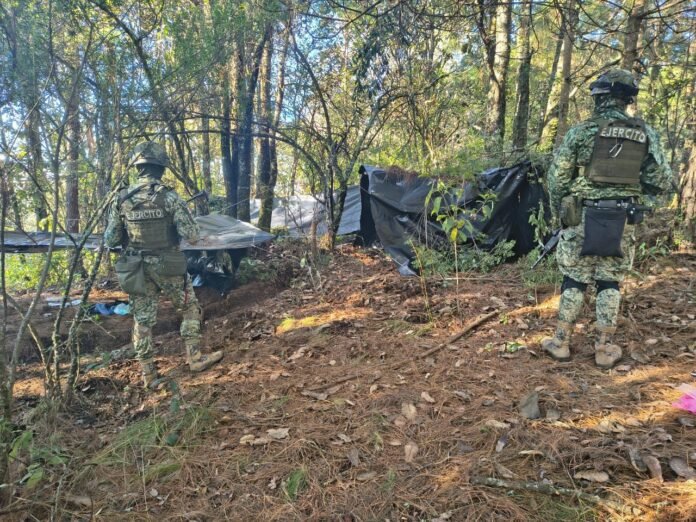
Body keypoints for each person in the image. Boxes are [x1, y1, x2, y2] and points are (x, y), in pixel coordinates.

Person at [542, 69, 673, 368]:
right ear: (627, 99)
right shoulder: (645, 133)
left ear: (599, 97)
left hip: (581, 215)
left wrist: (559, 213)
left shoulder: (581, 131)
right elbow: (662, 180)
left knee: (574, 277)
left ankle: (560, 343)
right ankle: (603, 348)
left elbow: (557, 179)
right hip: (622, 217)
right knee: (609, 280)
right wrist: (637, 196)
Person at [105, 141, 223, 388]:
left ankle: (148, 375)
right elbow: (192, 235)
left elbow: (111, 239)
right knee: (189, 308)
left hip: (137, 268)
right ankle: (195, 359)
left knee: (142, 320)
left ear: (137, 167)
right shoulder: (169, 197)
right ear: (161, 167)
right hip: (168, 264)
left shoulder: (122, 199)